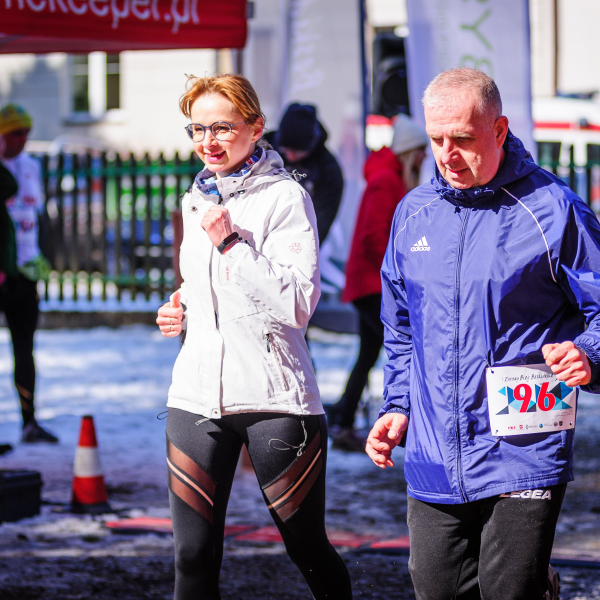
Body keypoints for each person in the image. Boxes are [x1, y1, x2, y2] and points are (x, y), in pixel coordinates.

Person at [365, 67, 598, 599]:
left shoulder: (553, 208)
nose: (447, 155)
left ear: (499, 130)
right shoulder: (414, 213)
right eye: (436, 140)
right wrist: (397, 404)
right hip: (434, 450)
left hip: (525, 444)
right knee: (437, 591)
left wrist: (589, 352)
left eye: (463, 139)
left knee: (507, 590)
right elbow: (400, 328)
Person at [156, 74, 352, 600]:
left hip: (274, 398)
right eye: (198, 129)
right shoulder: (195, 196)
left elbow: (297, 303)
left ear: (256, 127)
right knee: (191, 556)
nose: (208, 141)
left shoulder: (286, 197)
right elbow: (201, 284)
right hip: (195, 394)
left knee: (306, 548)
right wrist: (180, 307)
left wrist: (231, 245)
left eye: (222, 127)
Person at [328, 115, 428, 452]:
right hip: (374, 283)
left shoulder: (388, 175)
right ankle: (402, 421)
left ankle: (343, 420)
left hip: (371, 281)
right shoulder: (386, 179)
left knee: (369, 353)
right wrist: (404, 270)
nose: (425, 157)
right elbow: (376, 236)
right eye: (421, 150)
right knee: (404, 347)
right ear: (409, 151)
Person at [0, 104, 56, 444]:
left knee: (25, 349)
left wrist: (42, 257)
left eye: (25, 132)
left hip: (25, 271)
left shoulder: (32, 167)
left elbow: (38, 216)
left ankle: (29, 422)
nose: (22, 139)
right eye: (14, 133)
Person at [267, 102, 344, 246]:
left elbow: (322, 220)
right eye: (285, 150)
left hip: (300, 238)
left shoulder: (328, 170)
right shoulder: (264, 149)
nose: (290, 156)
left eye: (297, 152)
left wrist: (304, 248)